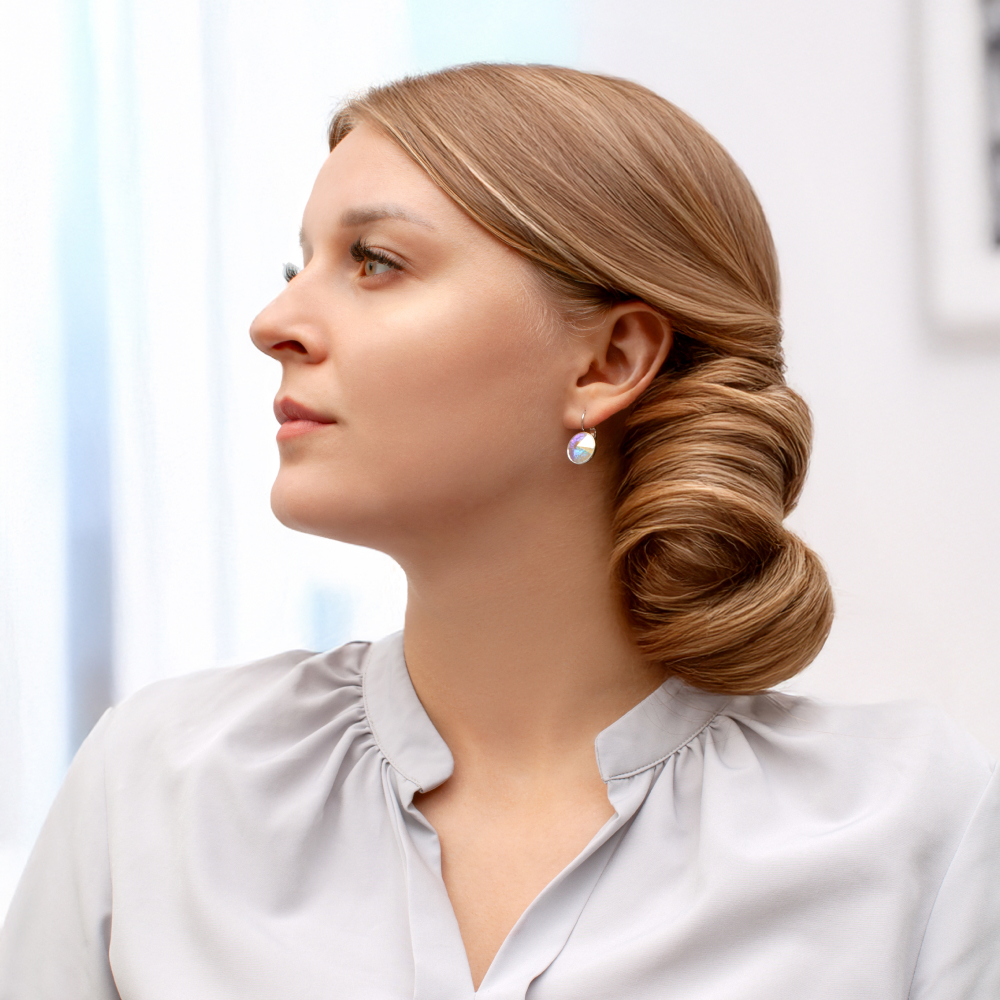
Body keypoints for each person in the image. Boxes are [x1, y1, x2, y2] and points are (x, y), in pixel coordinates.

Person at [1, 63, 997, 999]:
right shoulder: (157, 785)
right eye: (299, 264)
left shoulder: (916, 827)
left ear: (608, 362)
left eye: (374, 261)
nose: (273, 322)